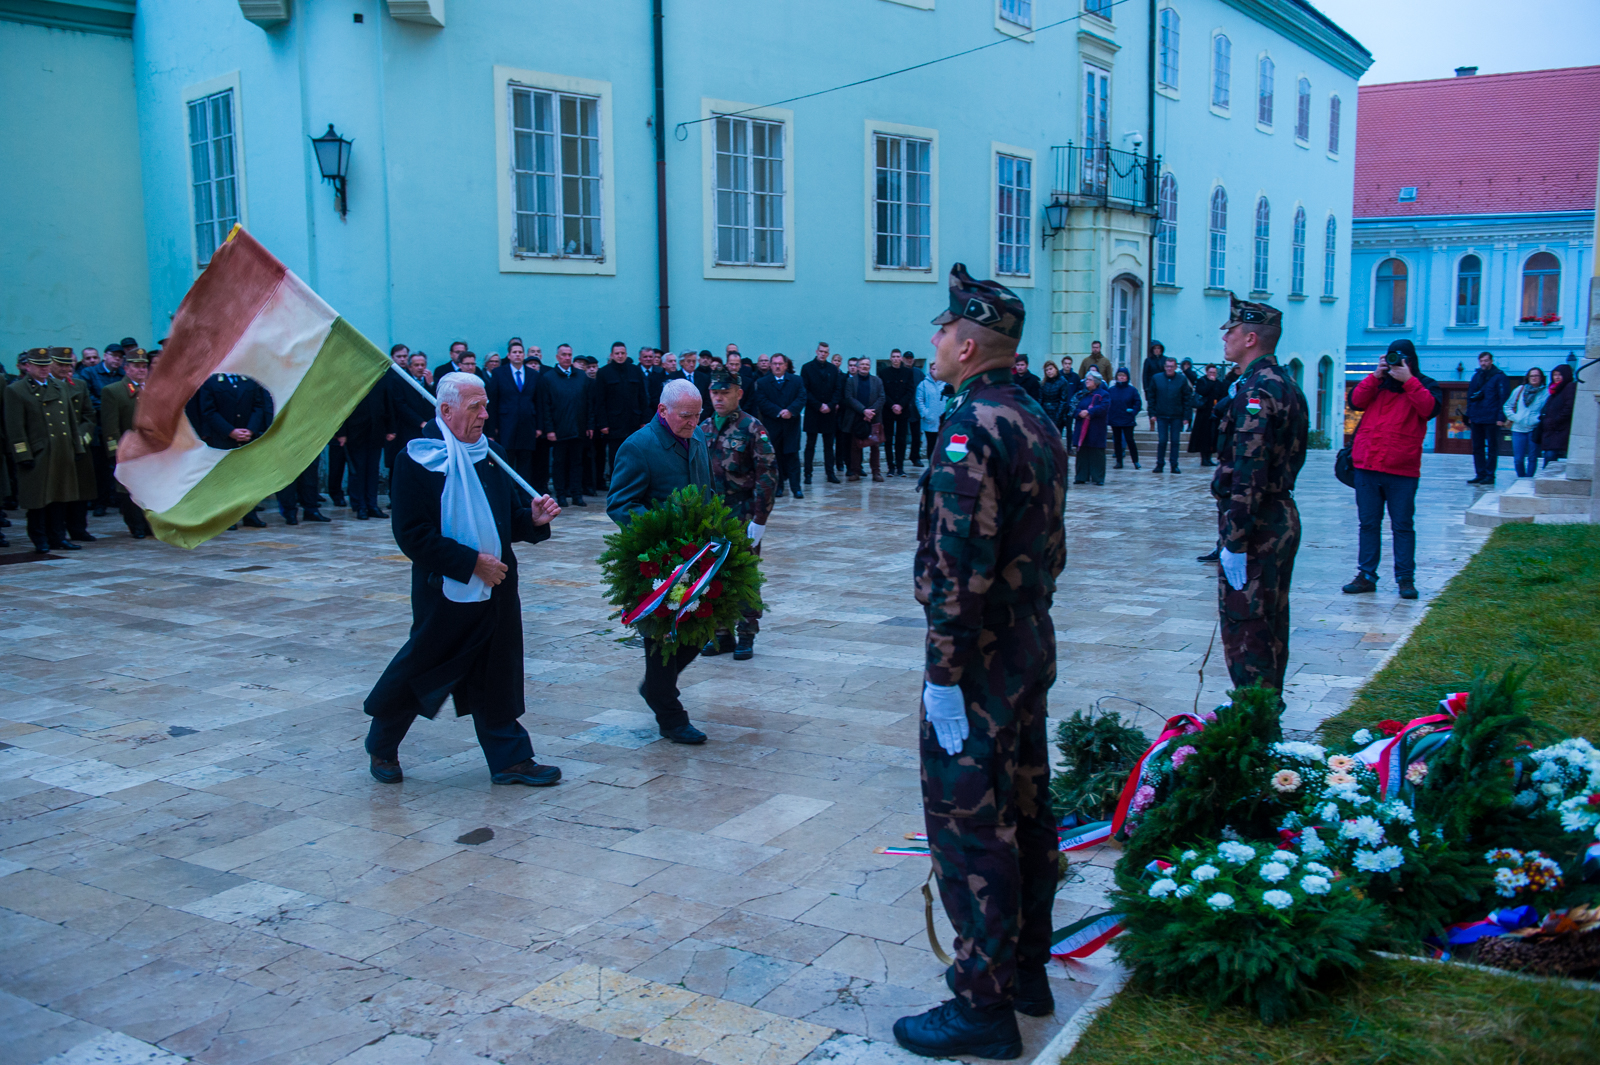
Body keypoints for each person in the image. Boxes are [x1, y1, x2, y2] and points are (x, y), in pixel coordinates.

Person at [894, 264, 1067, 1060]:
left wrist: (942, 675)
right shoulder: (1032, 414)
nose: (932, 341)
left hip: (980, 659)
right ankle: (1027, 971)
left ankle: (981, 1007)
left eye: (941, 330)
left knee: (971, 829)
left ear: (968, 344)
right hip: (1027, 642)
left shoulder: (971, 429)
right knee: (1026, 806)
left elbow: (957, 568)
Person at [362, 373, 562, 786]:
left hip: (499, 587)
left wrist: (534, 521)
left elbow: (506, 520)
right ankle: (382, 743)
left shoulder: (492, 455)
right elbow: (413, 534)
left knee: (498, 671)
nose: (485, 415)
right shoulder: (418, 460)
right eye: (476, 407)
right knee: (425, 668)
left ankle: (511, 759)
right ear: (446, 410)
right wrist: (471, 563)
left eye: (486, 406)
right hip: (446, 590)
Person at [1211, 294, 1310, 697]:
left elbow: (1249, 470)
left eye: (1231, 331)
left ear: (1250, 337)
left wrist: (1234, 540)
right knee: (1271, 622)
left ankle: (1256, 721)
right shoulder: (1284, 383)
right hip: (1277, 512)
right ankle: (1267, 713)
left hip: (1258, 522)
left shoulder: (1257, 391)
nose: (1225, 338)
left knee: (1247, 628)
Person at [607, 379, 713, 743]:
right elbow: (620, 504)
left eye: (698, 415)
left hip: (697, 555)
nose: (693, 422)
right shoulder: (638, 447)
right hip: (658, 562)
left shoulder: (696, 439)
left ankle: (656, 687)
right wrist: (660, 536)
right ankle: (670, 715)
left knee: (704, 626)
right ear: (662, 411)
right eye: (686, 416)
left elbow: (706, 490)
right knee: (663, 637)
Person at [1342, 339, 1440, 600]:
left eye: (1401, 358)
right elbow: (1356, 401)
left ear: (1411, 360)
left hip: (1402, 469)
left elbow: (1429, 409)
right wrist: (1375, 375)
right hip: (1368, 465)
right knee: (1369, 524)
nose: (1395, 362)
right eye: (1391, 357)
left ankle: (1405, 579)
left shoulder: (1425, 385)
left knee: (1403, 526)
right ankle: (1366, 575)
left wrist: (1408, 380)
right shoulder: (1377, 383)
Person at [700, 371, 776, 661]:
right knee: (711, 573)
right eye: (714, 393)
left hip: (742, 513)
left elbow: (767, 476)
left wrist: (760, 519)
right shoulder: (702, 428)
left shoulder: (753, 428)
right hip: (711, 515)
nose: (718, 398)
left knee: (743, 574)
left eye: (725, 392)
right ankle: (720, 633)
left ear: (739, 394)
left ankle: (746, 633)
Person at [5, 349, 87, 552]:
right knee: (38, 500)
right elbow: (15, 427)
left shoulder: (59, 387)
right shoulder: (17, 390)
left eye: (46, 366)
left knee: (60, 497)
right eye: (38, 366)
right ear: (28, 366)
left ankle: (58, 537)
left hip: (61, 450)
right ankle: (39, 539)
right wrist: (23, 453)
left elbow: (70, 421)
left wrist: (76, 446)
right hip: (38, 452)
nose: (43, 370)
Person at [100, 349, 152, 539]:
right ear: (126, 368)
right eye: (136, 366)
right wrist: (116, 452)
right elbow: (110, 427)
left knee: (150, 488)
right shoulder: (114, 391)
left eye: (144, 366)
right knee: (130, 490)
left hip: (152, 450)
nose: (141, 370)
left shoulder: (153, 388)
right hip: (129, 449)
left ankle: (149, 524)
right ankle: (136, 525)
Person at [48, 347, 99, 541]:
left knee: (81, 489)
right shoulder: (45, 387)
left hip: (79, 445)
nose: (64, 368)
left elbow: (89, 414)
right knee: (60, 491)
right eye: (59, 363)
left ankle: (78, 528)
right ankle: (56, 532)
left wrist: (82, 436)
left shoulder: (79, 385)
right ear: (50, 364)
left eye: (67, 364)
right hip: (57, 447)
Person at [538, 344, 595, 507]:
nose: (567, 358)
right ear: (557, 357)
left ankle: (577, 495)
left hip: (578, 428)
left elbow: (589, 404)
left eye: (569, 355)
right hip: (559, 430)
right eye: (563, 355)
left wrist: (589, 425)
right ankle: (561, 495)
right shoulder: (549, 378)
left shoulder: (582, 377)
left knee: (577, 463)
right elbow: (546, 406)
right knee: (559, 464)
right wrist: (549, 429)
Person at [487, 341, 543, 491]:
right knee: (507, 461)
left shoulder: (532, 374)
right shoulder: (499, 373)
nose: (517, 355)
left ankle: (524, 495)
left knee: (525, 462)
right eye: (515, 352)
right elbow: (493, 402)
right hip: (506, 424)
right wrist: (493, 429)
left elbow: (538, 401)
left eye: (520, 352)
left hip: (527, 424)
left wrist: (539, 426)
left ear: (524, 355)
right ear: (509, 355)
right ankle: (508, 493)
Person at [337, 370, 391, 521]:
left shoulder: (379, 379)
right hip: (356, 433)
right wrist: (342, 433)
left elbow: (388, 404)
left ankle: (372, 505)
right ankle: (360, 506)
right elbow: (342, 409)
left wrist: (390, 428)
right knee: (358, 471)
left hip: (376, 432)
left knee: (373, 471)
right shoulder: (350, 382)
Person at [596, 342, 650, 486]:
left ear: (626, 354)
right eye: (617, 353)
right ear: (612, 355)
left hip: (633, 422)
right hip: (614, 424)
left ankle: (634, 485)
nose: (620, 356)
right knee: (616, 457)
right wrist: (603, 424)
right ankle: (617, 486)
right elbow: (600, 401)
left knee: (634, 455)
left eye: (623, 353)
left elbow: (643, 397)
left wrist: (644, 419)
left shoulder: (635, 371)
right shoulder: (603, 372)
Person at [754, 353, 806, 498]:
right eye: (775, 363)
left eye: (780, 364)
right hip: (773, 426)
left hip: (791, 426)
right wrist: (779, 412)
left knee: (793, 457)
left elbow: (801, 398)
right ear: (770, 365)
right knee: (775, 459)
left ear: (785, 365)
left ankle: (796, 488)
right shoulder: (763, 382)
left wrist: (790, 411)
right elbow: (762, 401)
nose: (777, 366)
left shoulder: (796, 381)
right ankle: (778, 487)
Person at [800, 341, 842, 485]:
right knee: (810, 445)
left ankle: (830, 474)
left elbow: (838, 389)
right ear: (817, 352)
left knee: (829, 445)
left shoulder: (832, 369)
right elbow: (805, 390)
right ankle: (807, 475)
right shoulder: (806, 368)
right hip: (813, 411)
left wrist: (830, 405)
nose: (823, 354)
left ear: (828, 354)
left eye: (826, 352)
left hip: (829, 412)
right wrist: (818, 405)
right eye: (821, 351)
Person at [1465, 351, 1509, 485]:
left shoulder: (1499, 376)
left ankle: (1490, 475)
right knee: (1477, 447)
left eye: (1486, 360)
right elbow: (1470, 396)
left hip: (1492, 417)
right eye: (1481, 361)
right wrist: (1470, 415)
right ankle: (1480, 473)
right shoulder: (1476, 376)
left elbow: (1504, 397)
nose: (1483, 363)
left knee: (1492, 448)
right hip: (1477, 416)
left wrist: (1501, 416)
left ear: (1491, 361)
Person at [840, 355, 886, 482]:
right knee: (855, 446)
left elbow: (882, 398)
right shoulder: (851, 381)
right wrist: (863, 411)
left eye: (867, 364)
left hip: (874, 418)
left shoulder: (877, 381)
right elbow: (849, 398)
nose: (865, 366)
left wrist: (871, 412)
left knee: (875, 446)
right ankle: (855, 472)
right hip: (857, 418)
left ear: (870, 367)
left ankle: (876, 472)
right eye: (862, 364)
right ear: (858, 367)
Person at [1148, 357, 1195, 473]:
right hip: (1161, 415)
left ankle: (1174, 464)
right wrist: (1152, 413)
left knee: (1175, 441)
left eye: (1171, 366)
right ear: (1164, 367)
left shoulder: (1181, 380)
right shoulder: (1156, 378)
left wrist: (1186, 416)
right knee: (1162, 441)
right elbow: (1151, 397)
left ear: (1175, 367)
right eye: (1167, 366)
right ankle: (1160, 464)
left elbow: (1186, 399)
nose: (1169, 369)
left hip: (1176, 416)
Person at [1503, 367, 1548, 479]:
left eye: (1536, 376)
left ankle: (1528, 479)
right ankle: (1521, 478)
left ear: (1541, 378)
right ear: (1527, 377)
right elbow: (1507, 406)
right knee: (1518, 459)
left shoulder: (1545, 393)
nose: (1534, 378)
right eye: (1532, 376)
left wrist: (1539, 420)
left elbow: (1547, 409)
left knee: (1532, 457)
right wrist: (1515, 417)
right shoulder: (1520, 390)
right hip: (1518, 429)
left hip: (1534, 429)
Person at [881, 349, 916, 477]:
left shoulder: (908, 372)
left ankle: (900, 467)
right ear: (890, 358)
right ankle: (891, 467)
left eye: (898, 357)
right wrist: (892, 405)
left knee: (901, 439)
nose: (896, 359)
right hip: (888, 411)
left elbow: (910, 390)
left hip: (903, 410)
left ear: (901, 358)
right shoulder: (884, 373)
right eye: (893, 357)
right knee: (888, 439)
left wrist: (900, 405)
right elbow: (882, 392)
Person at [1072, 373, 1109, 485]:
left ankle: (1098, 477)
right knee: (1082, 452)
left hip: (1096, 428)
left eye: (1089, 380)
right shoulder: (1081, 394)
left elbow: (1103, 407)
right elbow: (1072, 407)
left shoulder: (1104, 394)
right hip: (1081, 427)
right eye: (1086, 379)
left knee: (1096, 453)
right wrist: (1080, 413)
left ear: (1096, 382)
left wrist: (1089, 412)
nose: (1086, 381)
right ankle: (1081, 476)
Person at [1188, 364, 1226, 467]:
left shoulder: (1219, 383)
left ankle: (1209, 458)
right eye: (1210, 372)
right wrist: (1210, 383)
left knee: (1212, 436)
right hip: (1203, 413)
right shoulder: (1202, 381)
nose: (1212, 374)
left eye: (1214, 373)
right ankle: (1204, 458)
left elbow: (1221, 395)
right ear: (1207, 372)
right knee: (1203, 436)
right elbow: (1202, 392)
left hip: (1214, 413)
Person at [1538, 364, 1575, 466]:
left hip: (1559, 430)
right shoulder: (1554, 390)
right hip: (1551, 431)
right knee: (1548, 458)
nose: (1557, 377)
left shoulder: (1569, 387)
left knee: (1550, 458)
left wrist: (1555, 420)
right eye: (1555, 375)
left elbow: (1569, 407)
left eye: (1560, 375)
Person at [1106, 368, 1142, 469]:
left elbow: (1138, 403)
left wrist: (1133, 412)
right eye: (1119, 375)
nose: (1121, 377)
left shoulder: (1132, 390)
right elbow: (1107, 403)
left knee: (1130, 440)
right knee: (1117, 441)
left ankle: (1135, 461)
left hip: (1127, 419)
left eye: (1123, 376)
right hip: (1115, 419)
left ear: (1127, 377)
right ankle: (1119, 461)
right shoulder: (1111, 390)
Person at [915, 364, 946, 459]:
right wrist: (925, 413)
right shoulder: (923, 384)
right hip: (930, 420)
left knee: (942, 445)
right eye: (933, 369)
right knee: (931, 445)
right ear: (930, 370)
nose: (935, 371)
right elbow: (919, 400)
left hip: (943, 420)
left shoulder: (946, 384)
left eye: (937, 368)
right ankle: (931, 467)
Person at [1141, 341, 1168, 430]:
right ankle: (1151, 423)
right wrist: (1146, 388)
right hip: (1151, 387)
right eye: (1155, 348)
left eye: (1158, 348)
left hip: (1163, 387)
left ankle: (1163, 423)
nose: (1157, 350)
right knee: (1151, 405)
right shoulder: (1148, 361)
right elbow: (1145, 375)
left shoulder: (1165, 360)